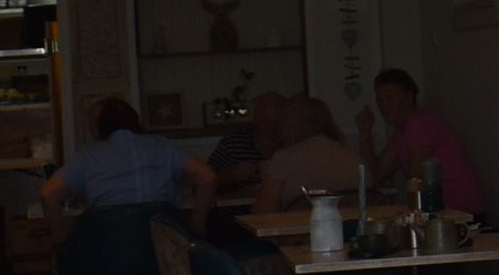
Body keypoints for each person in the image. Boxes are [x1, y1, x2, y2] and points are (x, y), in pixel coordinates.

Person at [41, 96, 213, 224]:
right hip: (160, 244)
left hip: (109, 247)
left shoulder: (88, 156)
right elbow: (207, 177)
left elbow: (49, 193)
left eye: (91, 122)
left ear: (100, 124)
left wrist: (58, 239)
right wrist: (197, 226)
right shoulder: (162, 145)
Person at [353, 68, 484, 217]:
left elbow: (417, 181)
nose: (384, 106)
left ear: (409, 97)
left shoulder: (419, 124)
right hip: (444, 212)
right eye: (380, 101)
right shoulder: (401, 132)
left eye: (390, 98)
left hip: (461, 212)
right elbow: (375, 175)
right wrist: (365, 132)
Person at [252, 95, 359, 212]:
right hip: (350, 223)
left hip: (302, 223)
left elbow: (262, 212)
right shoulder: (353, 154)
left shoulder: (285, 158)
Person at [206, 91, 288, 189]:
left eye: (279, 124)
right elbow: (202, 182)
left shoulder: (295, 143)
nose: (272, 130)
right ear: (254, 120)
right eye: (265, 123)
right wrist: (230, 175)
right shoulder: (233, 143)